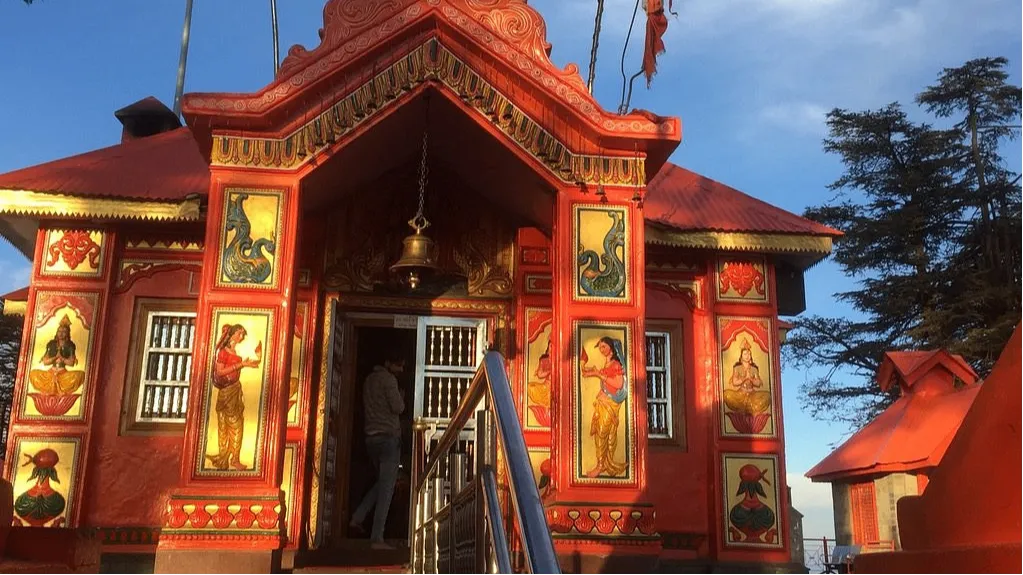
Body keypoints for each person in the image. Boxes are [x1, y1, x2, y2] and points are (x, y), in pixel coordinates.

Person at [350, 351, 406, 550]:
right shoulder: (389, 380)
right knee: (387, 489)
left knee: (383, 482)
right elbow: (398, 407)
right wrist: (401, 394)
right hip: (388, 439)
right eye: (399, 365)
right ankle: (377, 538)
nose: (401, 370)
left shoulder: (368, 381)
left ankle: (358, 517)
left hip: (371, 438)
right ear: (389, 362)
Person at [205, 323, 261, 471]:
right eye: (239, 333)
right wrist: (240, 365)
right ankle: (228, 458)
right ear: (231, 334)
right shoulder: (223, 352)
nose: (241, 336)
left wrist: (249, 363)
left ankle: (232, 458)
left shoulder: (234, 351)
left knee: (233, 424)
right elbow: (220, 372)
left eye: (243, 334)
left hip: (234, 390)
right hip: (226, 391)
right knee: (231, 425)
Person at [580, 336, 628, 479]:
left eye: (603, 347)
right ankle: (602, 463)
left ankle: (601, 466)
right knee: (599, 433)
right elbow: (601, 375)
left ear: (611, 350)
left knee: (603, 433)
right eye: (600, 347)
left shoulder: (615, 365)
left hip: (610, 404)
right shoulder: (607, 365)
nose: (601, 350)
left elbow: (618, 384)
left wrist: (598, 375)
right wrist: (590, 372)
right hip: (602, 402)